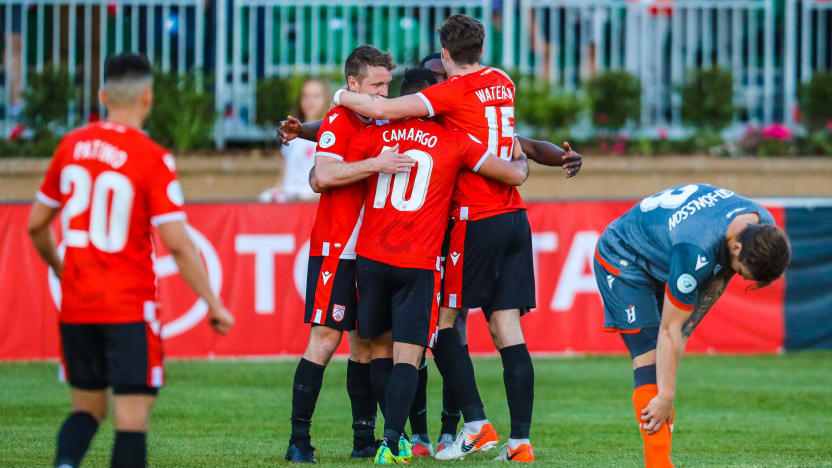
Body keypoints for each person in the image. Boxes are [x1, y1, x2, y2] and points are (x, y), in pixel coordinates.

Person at [331, 14, 563, 462]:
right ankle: (520, 443)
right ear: (481, 48)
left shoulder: (451, 93)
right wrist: (521, 168)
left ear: (445, 54)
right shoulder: (503, 81)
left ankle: (474, 424)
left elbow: (382, 111)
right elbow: (510, 146)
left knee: (441, 324)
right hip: (514, 216)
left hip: (474, 217)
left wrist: (342, 94)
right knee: (506, 327)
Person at [27, 53, 234, 468]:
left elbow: (36, 225)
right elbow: (178, 244)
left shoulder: (70, 147)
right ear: (147, 97)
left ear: (103, 96)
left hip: (77, 304)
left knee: (86, 409)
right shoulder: (151, 156)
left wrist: (60, 268)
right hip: (128, 307)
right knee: (131, 420)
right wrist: (213, 303)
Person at [593, 184, 791, 468]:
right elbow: (670, 331)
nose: (744, 278)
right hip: (624, 256)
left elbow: (718, 279)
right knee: (651, 359)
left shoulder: (761, 228)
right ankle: (658, 464)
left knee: (668, 357)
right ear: (736, 247)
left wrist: (684, 333)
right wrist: (666, 395)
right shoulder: (696, 248)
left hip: (664, 254)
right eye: (743, 272)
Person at [284, 45, 413, 464]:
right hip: (338, 249)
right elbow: (321, 176)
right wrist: (376, 164)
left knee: (366, 344)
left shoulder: (383, 118)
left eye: (387, 85)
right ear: (352, 84)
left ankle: (363, 440)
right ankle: (298, 441)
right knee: (325, 340)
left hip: (373, 252)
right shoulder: (340, 119)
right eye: (376, 85)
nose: (383, 93)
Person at [260, 79, 330, 202]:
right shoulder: (292, 134)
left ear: (326, 99)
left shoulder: (329, 135)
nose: (310, 101)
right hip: (288, 200)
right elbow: (285, 171)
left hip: (311, 200)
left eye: (316, 96)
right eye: (306, 96)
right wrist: (277, 192)